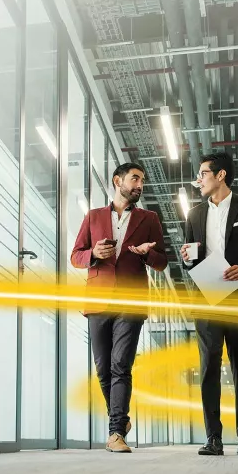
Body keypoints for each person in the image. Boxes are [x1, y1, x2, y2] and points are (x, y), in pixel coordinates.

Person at [70, 163, 168, 453]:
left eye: (142, 180)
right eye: (135, 179)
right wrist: (93, 253)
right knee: (103, 369)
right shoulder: (93, 216)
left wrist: (148, 254)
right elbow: (75, 256)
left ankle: (115, 433)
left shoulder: (149, 219)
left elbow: (162, 262)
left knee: (120, 365)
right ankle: (120, 419)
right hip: (98, 298)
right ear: (117, 181)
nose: (140, 185)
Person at [180, 152, 238, 456]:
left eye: (203, 174)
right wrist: (187, 259)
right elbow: (190, 261)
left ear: (220, 175)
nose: (198, 180)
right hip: (207, 298)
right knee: (209, 366)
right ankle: (213, 438)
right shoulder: (194, 215)